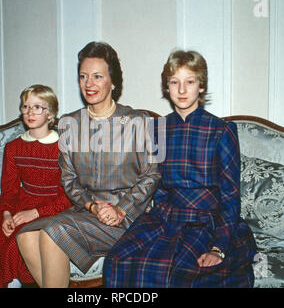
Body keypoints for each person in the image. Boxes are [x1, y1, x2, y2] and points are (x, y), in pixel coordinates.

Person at [103, 50, 257, 288]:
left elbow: (230, 197)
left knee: (180, 274)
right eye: (175, 82)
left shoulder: (221, 131)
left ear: (201, 86)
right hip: (167, 218)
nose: (182, 90)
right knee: (117, 260)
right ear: (167, 87)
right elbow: (156, 186)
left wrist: (219, 248)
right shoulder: (157, 129)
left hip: (208, 221)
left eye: (190, 82)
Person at [16, 41, 161, 288]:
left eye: (97, 76)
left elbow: (152, 175)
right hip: (87, 211)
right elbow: (69, 180)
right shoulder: (69, 124)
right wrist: (92, 206)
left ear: (113, 82)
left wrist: (120, 209)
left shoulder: (138, 121)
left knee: (55, 232)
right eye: (83, 76)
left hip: (128, 216)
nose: (89, 84)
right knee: (26, 235)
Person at [0, 85, 72, 288]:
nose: (30, 113)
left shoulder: (64, 147)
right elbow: (9, 189)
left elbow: (69, 196)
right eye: (26, 107)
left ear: (51, 113)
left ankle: (14, 282)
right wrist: (7, 213)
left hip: (53, 209)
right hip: (21, 206)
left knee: (13, 245)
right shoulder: (14, 147)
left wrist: (34, 213)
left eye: (37, 107)